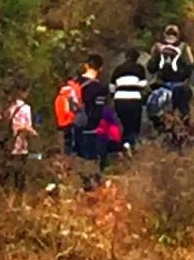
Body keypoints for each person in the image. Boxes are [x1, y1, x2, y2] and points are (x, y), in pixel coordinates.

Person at [147, 24, 194, 120]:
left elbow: (151, 67)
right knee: (182, 111)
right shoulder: (184, 47)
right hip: (179, 84)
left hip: (161, 84)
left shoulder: (157, 47)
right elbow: (190, 65)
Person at [76, 54, 108, 183]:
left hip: (72, 124)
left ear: (86, 65)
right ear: (101, 68)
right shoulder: (99, 88)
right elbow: (98, 111)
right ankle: (90, 184)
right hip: (90, 127)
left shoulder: (75, 83)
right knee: (90, 158)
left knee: (76, 157)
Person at [110, 48, 148, 149]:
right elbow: (143, 84)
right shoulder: (139, 68)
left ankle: (123, 144)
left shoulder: (118, 69)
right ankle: (130, 145)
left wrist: (113, 96)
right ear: (137, 58)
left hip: (120, 100)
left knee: (124, 123)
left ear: (126, 57)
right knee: (134, 124)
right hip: (134, 99)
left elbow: (112, 86)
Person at [53, 69, 84, 156]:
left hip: (61, 121)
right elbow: (76, 104)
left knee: (66, 140)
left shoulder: (59, 97)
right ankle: (72, 155)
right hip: (70, 120)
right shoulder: (73, 90)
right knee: (72, 140)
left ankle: (66, 155)